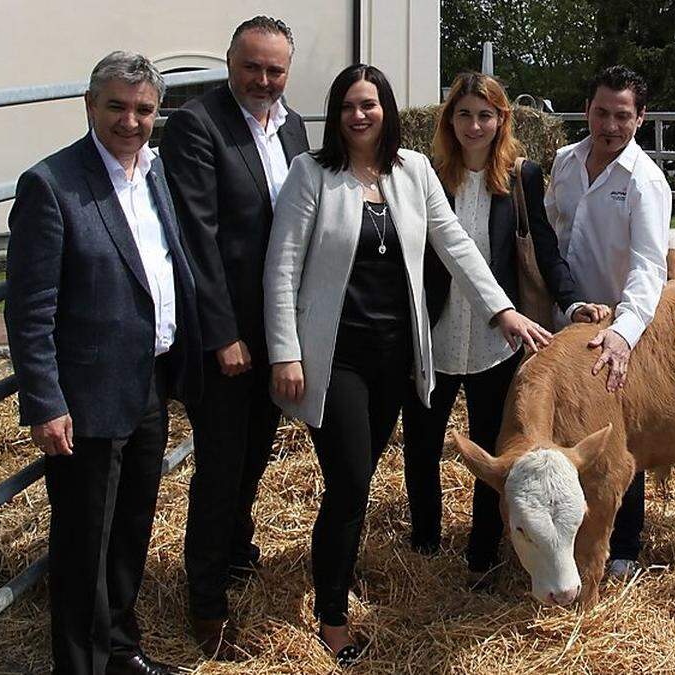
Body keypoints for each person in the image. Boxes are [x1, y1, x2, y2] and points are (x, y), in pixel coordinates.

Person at [263, 64, 552, 666]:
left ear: (387, 111)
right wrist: (285, 350)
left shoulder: (412, 171)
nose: (360, 115)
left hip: (396, 357)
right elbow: (282, 267)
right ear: (336, 114)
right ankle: (333, 618)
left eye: (370, 104)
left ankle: (341, 571)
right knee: (347, 482)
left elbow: (457, 246)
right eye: (348, 105)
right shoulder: (311, 174)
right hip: (336, 357)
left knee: (362, 477)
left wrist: (503, 312)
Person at [4, 52, 202, 675]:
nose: (130, 121)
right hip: (85, 393)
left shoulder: (155, 171)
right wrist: (45, 400)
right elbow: (30, 309)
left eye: (143, 109)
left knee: (131, 529)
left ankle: (120, 649)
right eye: (116, 106)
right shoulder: (51, 184)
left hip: (150, 380)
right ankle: (80, 664)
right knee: (84, 543)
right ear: (89, 106)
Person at [401, 72, 610, 585]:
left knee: (494, 457)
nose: (475, 125)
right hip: (434, 335)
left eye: (485, 115)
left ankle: (482, 552)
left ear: (502, 121)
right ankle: (425, 543)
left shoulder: (521, 177)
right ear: (449, 120)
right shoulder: (424, 175)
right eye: (465, 114)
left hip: (499, 341)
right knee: (423, 446)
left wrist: (572, 300)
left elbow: (542, 245)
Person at [158, 15, 309, 657]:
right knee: (220, 464)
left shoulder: (294, 124)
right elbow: (199, 236)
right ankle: (206, 599)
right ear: (229, 62)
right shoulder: (199, 126)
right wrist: (222, 335)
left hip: (276, 329)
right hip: (229, 336)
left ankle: (238, 549)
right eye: (252, 67)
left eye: (275, 70)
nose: (264, 80)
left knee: (254, 454)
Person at [544, 65, 671, 579]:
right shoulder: (564, 162)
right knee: (564, 428)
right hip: (565, 316)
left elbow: (649, 267)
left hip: (616, 325)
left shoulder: (647, 181)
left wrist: (623, 333)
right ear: (588, 110)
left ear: (641, 118)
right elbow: (552, 236)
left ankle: (624, 545)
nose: (610, 125)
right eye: (601, 112)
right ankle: (566, 532)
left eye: (623, 115)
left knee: (619, 435)